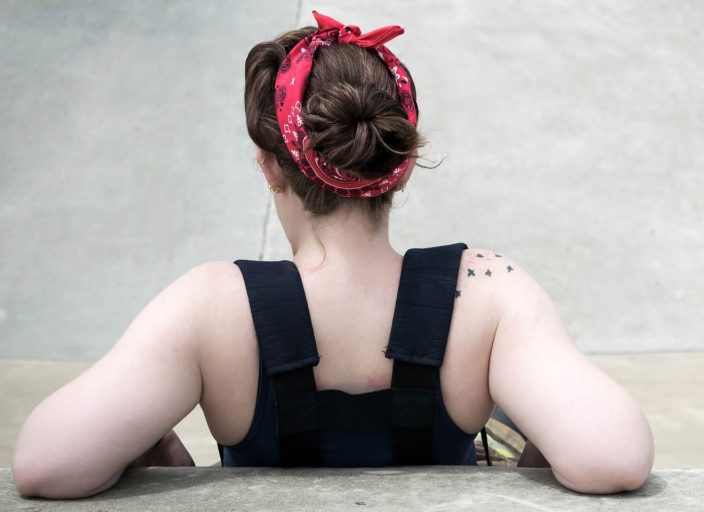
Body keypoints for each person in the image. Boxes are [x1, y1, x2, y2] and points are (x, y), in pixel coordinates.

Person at [12, 12, 654, 498]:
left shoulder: (212, 306)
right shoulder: (485, 292)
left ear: (269, 167)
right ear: (399, 168)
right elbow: (614, 457)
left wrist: (159, 455)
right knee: (535, 410)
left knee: (131, 416)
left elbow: (45, 463)